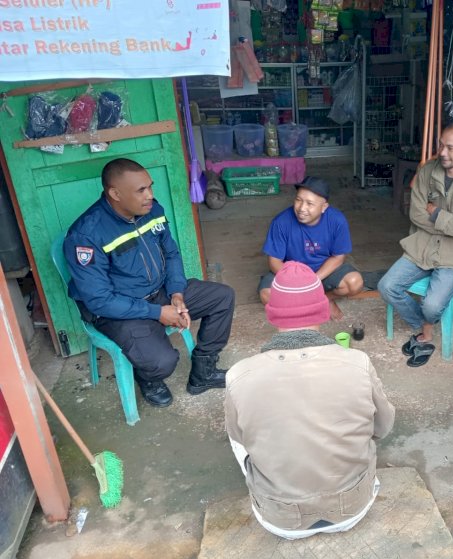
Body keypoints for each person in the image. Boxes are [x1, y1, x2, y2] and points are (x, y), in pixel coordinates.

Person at [225, 261, 395, 539]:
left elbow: (239, 439)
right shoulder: (357, 362)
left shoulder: (239, 375)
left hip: (280, 520)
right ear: (324, 311)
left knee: (239, 435)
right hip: (352, 509)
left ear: (272, 316)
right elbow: (383, 428)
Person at [64, 158, 235, 408]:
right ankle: (148, 379)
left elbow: (172, 254)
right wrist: (157, 313)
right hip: (119, 311)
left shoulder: (152, 211)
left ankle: (204, 371)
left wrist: (176, 293)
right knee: (162, 363)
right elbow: (99, 300)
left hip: (160, 292)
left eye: (150, 187)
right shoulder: (86, 235)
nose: (150, 196)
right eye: (141, 190)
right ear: (115, 193)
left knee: (222, 297)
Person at [378, 117, 453, 367]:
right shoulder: (428, 170)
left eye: (450, 147)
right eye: (441, 145)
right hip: (423, 246)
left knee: (431, 305)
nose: (442, 152)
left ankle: (426, 329)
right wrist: (451, 222)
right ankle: (425, 328)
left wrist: (436, 213)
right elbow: (416, 214)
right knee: (387, 286)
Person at [259, 176, 363, 320]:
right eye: (298, 200)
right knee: (267, 295)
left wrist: (313, 281)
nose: (302, 208)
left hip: (322, 271)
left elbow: (338, 257)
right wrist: (297, 283)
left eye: (310, 204)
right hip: (291, 273)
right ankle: (306, 310)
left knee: (354, 283)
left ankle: (324, 299)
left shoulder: (337, 221)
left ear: (324, 207)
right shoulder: (281, 222)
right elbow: (274, 261)